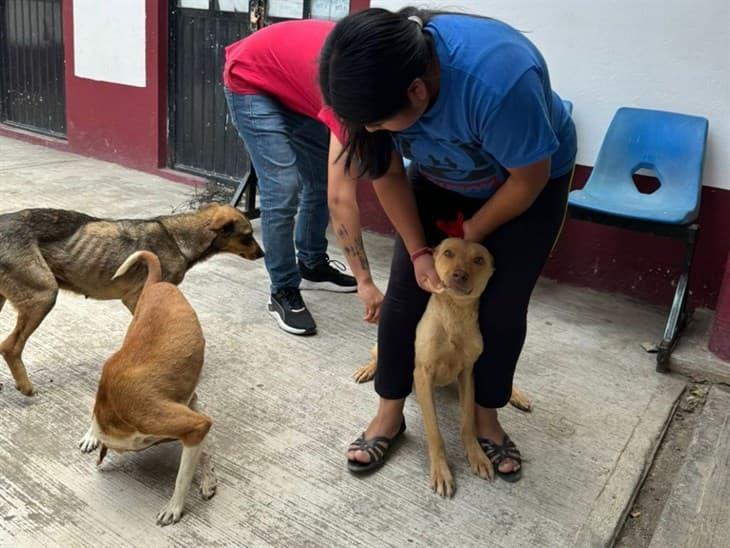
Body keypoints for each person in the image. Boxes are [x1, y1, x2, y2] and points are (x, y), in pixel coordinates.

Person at [320, 7, 577, 481]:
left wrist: (472, 234)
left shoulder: (499, 80)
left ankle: (486, 417)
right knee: (405, 294)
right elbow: (389, 172)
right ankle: (389, 413)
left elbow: (529, 178)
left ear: (417, 91)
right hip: (441, 175)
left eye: (379, 123)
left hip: (526, 179)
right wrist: (420, 252)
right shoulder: (371, 91)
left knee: (501, 306)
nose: (373, 132)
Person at [223, 20, 383, 336]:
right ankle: (283, 288)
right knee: (282, 188)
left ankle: (312, 264)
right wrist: (365, 280)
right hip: (252, 80)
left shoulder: (380, 77)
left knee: (321, 178)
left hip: (295, 85)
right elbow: (342, 199)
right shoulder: (352, 93)